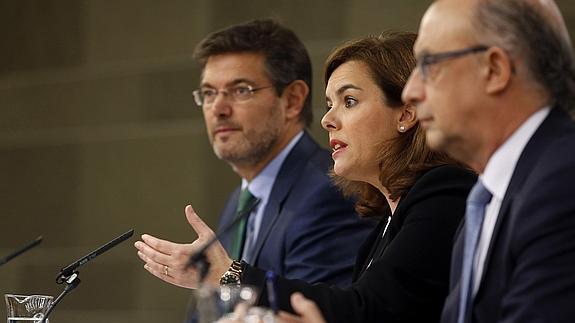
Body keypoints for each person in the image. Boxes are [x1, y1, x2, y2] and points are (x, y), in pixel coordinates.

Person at [136, 31, 477, 323]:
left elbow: (365, 311)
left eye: (350, 101)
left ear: (406, 112)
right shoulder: (386, 223)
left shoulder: (443, 192)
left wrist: (229, 276)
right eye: (329, 103)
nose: (328, 119)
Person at [136, 19, 374, 288]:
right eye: (209, 93)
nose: (219, 109)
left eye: (240, 90)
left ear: (293, 100)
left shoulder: (330, 191)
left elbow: (313, 313)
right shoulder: (239, 201)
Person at [402, 0, 575, 322]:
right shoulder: (486, 197)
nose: (410, 91)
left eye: (429, 64)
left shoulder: (563, 185)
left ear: (494, 69)